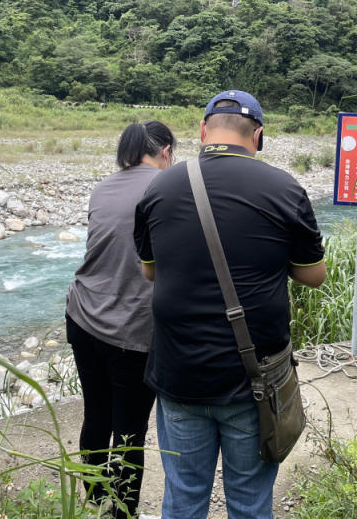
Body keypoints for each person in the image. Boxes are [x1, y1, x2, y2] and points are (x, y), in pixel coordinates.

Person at [134, 90, 326, 519]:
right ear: (257, 136)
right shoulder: (284, 187)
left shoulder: (160, 186)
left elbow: (150, 272)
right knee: (250, 503)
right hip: (254, 379)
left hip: (180, 373)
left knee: (183, 498)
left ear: (202, 131)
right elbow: (314, 275)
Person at [66, 121, 176, 519]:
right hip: (131, 328)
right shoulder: (166, 187)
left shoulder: (104, 187)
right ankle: (123, 513)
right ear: (166, 151)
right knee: (129, 429)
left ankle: (94, 504)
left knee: (95, 413)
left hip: (83, 315)